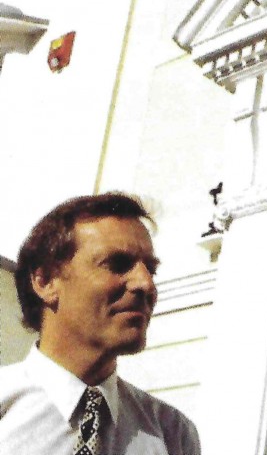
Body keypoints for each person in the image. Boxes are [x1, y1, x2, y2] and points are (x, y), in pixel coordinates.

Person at [0, 193, 200, 454]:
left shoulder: (172, 433)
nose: (145, 284)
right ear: (46, 282)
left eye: (151, 269)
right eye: (117, 264)